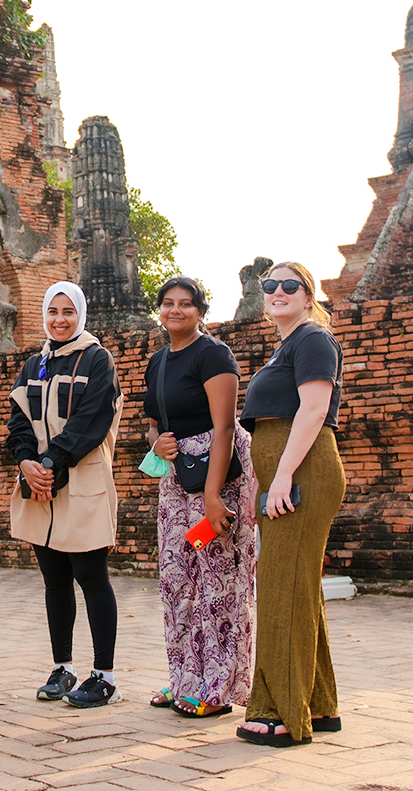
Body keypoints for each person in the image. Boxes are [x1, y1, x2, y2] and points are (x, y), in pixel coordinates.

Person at [235, 262, 345, 747]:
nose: (278, 291)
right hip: (284, 471)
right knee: (297, 586)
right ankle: (317, 705)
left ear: (308, 296)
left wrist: (280, 477)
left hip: (300, 472)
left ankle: (280, 710)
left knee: (281, 585)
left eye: (289, 285)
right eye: (270, 286)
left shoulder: (313, 339)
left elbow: (315, 409)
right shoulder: (287, 346)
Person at [143, 276, 257, 719]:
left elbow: (225, 426)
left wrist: (213, 495)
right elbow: (153, 422)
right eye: (168, 304)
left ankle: (216, 687)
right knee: (179, 575)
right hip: (176, 478)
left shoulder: (214, 355)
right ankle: (184, 678)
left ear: (201, 312)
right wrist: (156, 443)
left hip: (217, 476)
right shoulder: (158, 362)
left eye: (186, 304)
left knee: (215, 580)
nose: (176, 311)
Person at [6, 282, 125, 708]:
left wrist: (52, 461)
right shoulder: (34, 362)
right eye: (53, 311)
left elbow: (92, 420)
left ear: (81, 315)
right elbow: (17, 418)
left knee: (91, 577)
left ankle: (104, 676)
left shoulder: (97, 359)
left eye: (68, 312)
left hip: (80, 480)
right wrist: (26, 463)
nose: (60, 319)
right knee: (54, 581)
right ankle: (63, 667)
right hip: (38, 481)